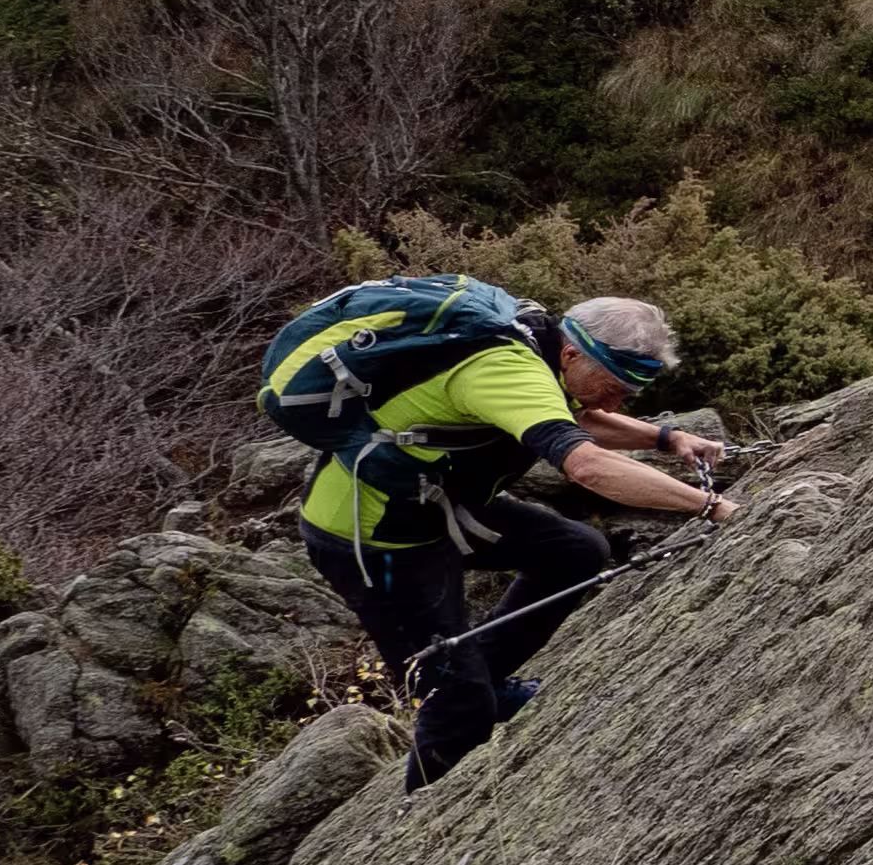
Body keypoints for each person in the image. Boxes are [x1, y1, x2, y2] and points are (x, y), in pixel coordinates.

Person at [285, 289, 734, 786]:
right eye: (617, 386)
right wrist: (710, 507)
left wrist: (666, 438)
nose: (620, 399)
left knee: (575, 551)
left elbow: (578, 417)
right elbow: (584, 464)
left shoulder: (540, 346)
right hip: (373, 535)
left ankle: (488, 680)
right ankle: (424, 816)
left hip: (436, 504)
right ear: (573, 354)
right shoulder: (505, 369)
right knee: (454, 699)